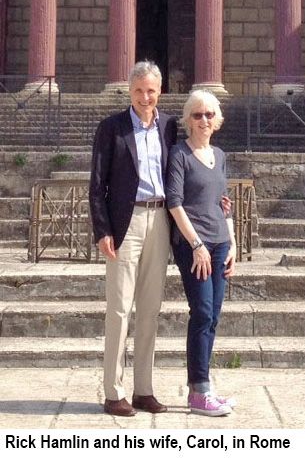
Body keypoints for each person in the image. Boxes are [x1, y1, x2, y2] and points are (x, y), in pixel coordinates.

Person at [89, 61, 177, 416]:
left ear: (160, 92)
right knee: (120, 309)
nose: (145, 97)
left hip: (160, 221)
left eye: (151, 91)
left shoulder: (170, 126)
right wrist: (102, 230)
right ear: (130, 91)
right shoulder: (111, 127)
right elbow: (97, 185)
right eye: (139, 90)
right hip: (126, 223)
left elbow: (180, 171)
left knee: (151, 310)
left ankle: (144, 389)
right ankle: (114, 391)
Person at [166, 90, 237, 417]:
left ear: (217, 120)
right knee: (203, 312)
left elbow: (224, 203)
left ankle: (203, 387)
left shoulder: (220, 155)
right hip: (194, 246)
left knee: (214, 315)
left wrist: (233, 243)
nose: (204, 120)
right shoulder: (179, 154)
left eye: (209, 115)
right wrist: (195, 245)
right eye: (197, 115)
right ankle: (199, 391)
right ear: (187, 120)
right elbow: (175, 203)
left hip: (220, 243)